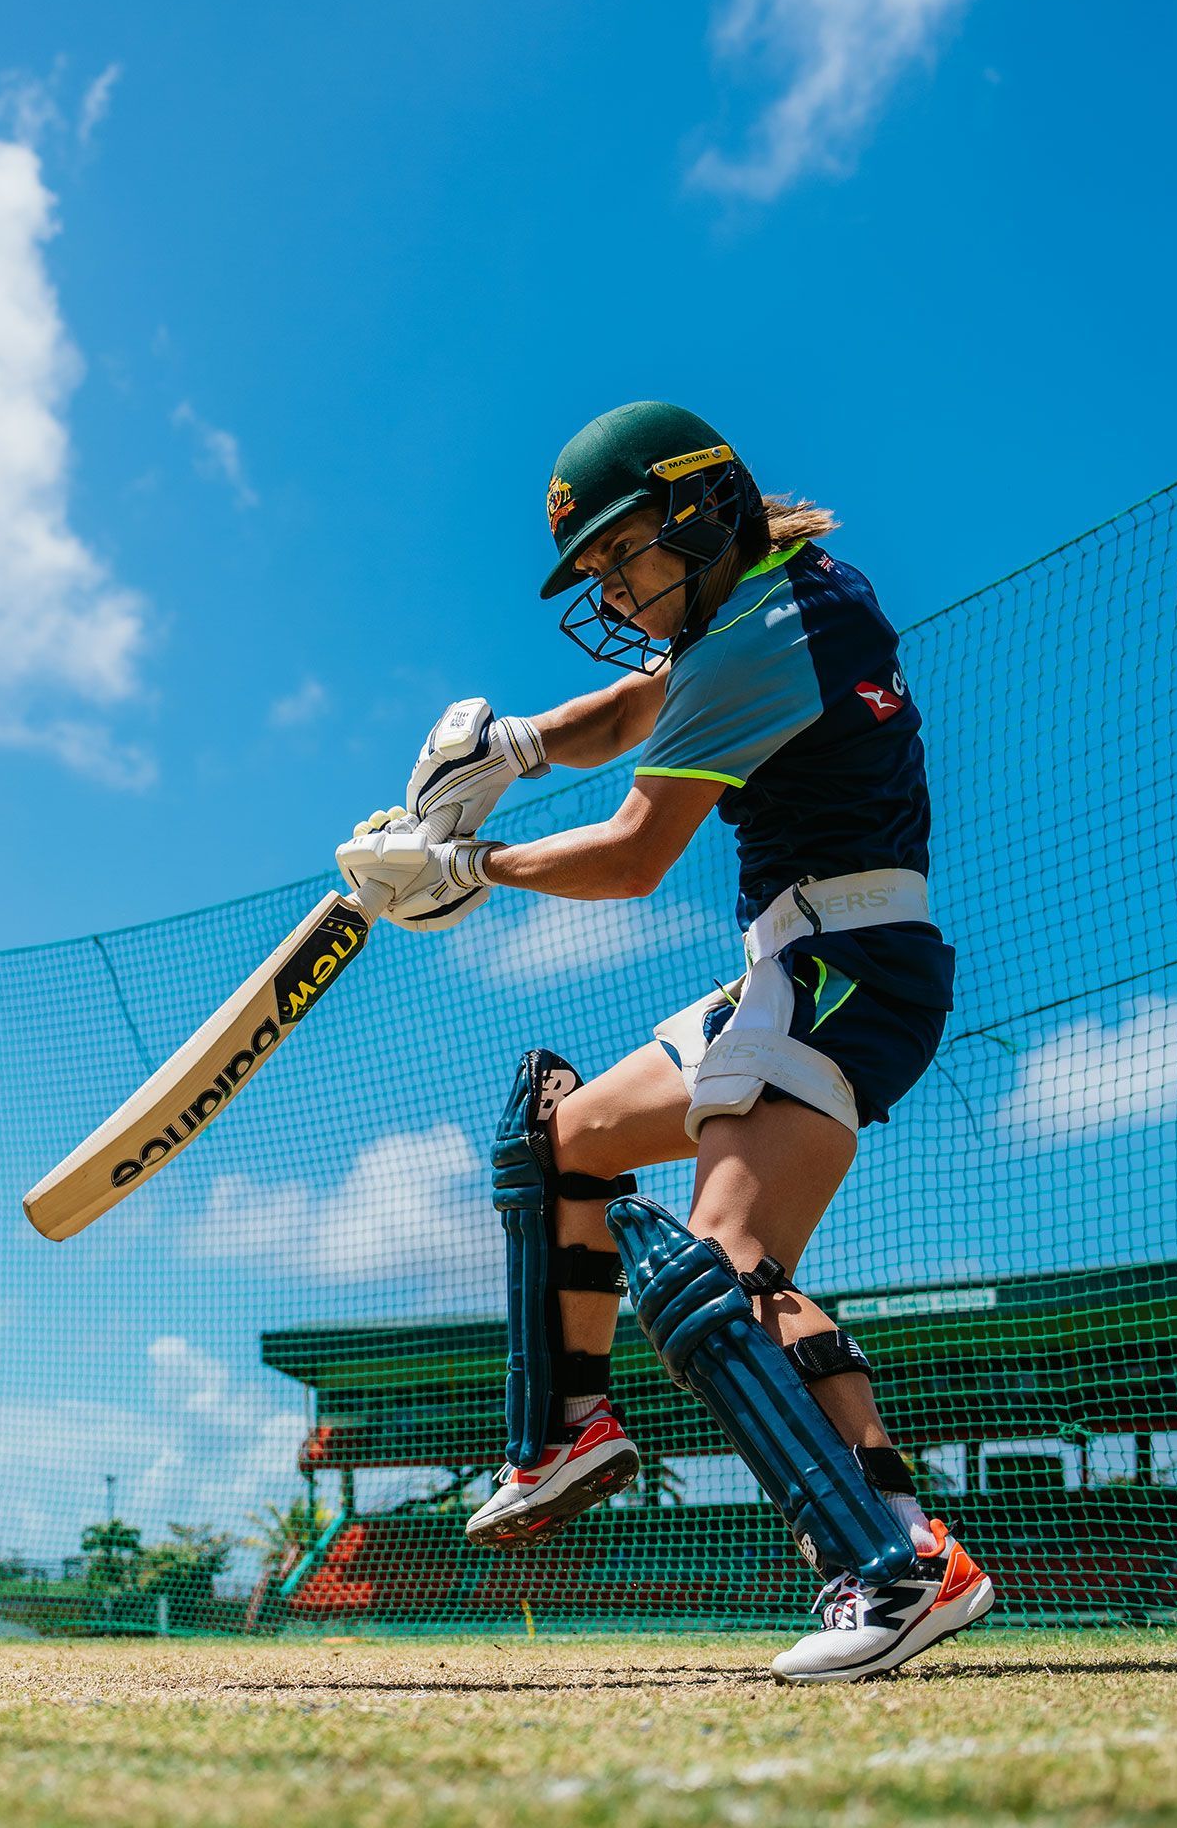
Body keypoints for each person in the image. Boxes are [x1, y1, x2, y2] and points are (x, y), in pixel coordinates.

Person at [337, 400, 993, 1685]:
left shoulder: (761, 633)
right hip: (804, 961)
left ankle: (904, 1558)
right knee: (562, 1140)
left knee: (720, 1272)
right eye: (598, 572)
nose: (619, 587)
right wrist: (513, 748)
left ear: (703, 508)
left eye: (627, 551)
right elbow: (646, 704)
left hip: (842, 967)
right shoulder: (775, 594)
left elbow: (637, 856)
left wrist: (469, 863)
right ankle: (568, 1431)